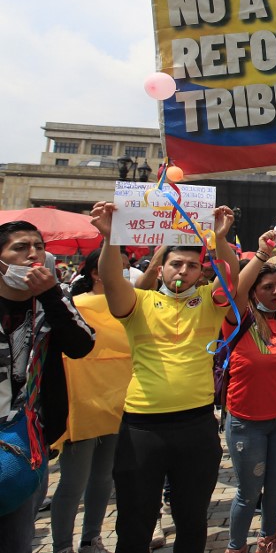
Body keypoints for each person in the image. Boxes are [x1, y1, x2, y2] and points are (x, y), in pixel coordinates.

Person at [89, 201, 239, 553]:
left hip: (197, 426)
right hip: (141, 429)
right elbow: (111, 278)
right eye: (176, 264)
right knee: (135, 521)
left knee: (191, 520)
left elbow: (231, 275)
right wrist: (112, 238)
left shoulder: (208, 299)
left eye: (191, 266)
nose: (183, 271)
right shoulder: (137, 302)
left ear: (200, 273)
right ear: (161, 269)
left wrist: (219, 240)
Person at [0, 222, 95, 553]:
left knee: (16, 536)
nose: (32, 254)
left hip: (28, 439)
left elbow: (82, 344)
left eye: (38, 247)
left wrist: (51, 294)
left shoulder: (52, 303)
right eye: (19, 248)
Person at [221, 231, 276, 553]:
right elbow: (237, 289)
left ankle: (269, 540)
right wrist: (260, 255)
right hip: (247, 422)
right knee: (249, 491)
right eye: (267, 287)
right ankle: (235, 546)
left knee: (275, 487)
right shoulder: (238, 318)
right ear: (253, 292)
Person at [49, 252, 132, 553]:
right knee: (73, 483)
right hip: (81, 402)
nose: (126, 271)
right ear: (98, 273)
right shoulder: (74, 306)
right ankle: (62, 546)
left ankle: (91, 539)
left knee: (102, 479)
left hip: (117, 400)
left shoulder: (128, 305)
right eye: (121, 267)